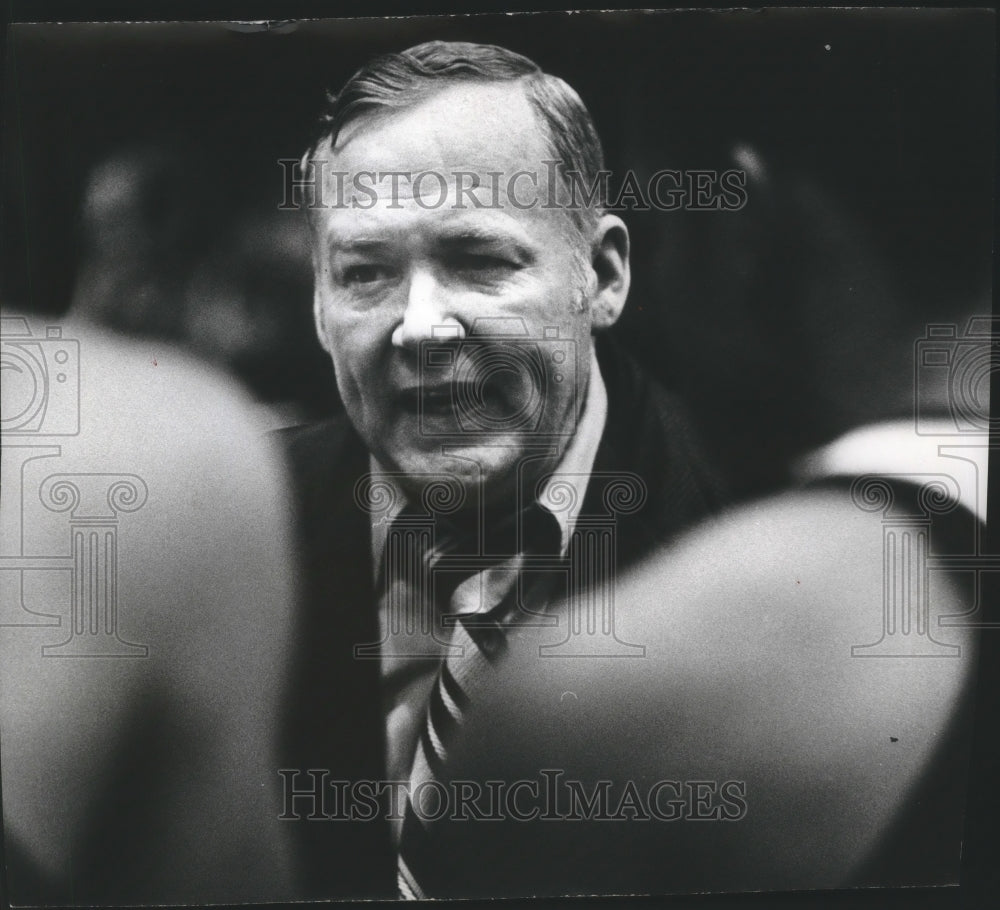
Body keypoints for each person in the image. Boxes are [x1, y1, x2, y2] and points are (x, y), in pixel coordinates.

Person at [277, 40, 727, 899]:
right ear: (318, 305)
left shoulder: (737, 538)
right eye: (366, 273)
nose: (420, 327)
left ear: (602, 274)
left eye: (478, 261)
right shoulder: (244, 533)